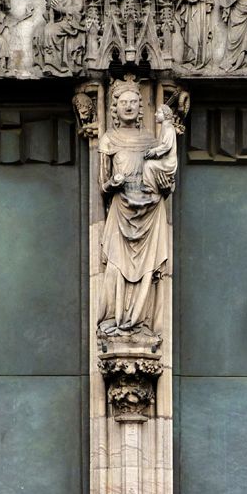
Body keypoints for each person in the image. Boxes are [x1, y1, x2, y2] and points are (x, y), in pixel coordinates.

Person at [97, 79, 171, 338]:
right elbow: (102, 186)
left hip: (150, 210)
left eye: (133, 102)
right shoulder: (108, 140)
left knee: (147, 271)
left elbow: (163, 175)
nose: (128, 106)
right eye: (123, 102)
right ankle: (117, 319)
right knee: (116, 267)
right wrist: (113, 183)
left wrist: (164, 183)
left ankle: (140, 322)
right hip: (121, 211)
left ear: (141, 107)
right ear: (114, 108)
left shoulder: (151, 141)